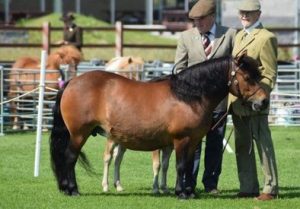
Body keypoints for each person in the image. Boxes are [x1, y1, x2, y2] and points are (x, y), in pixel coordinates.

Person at [174, 0, 236, 195]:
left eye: (201, 20)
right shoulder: (185, 37)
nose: (197, 24)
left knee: (215, 144)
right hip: (192, 106)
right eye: (194, 20)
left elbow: (236, 69)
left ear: (211, 17)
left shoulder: (230, 35)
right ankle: (189, 182)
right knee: (193, 144)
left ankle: (211, 184)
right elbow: (178, 69)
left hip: (219, 104)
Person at [229, 0, 279, 201]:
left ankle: (270, 188)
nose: (244, 16)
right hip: (238, 103)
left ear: (258, 14)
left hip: (256, 102)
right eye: (242, 12)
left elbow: (269, 74)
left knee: (263, 146)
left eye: (249, 13)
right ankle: (248, 187)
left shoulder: (266, 38)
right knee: (242, 146)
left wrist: (260, 97)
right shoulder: (239, 35)